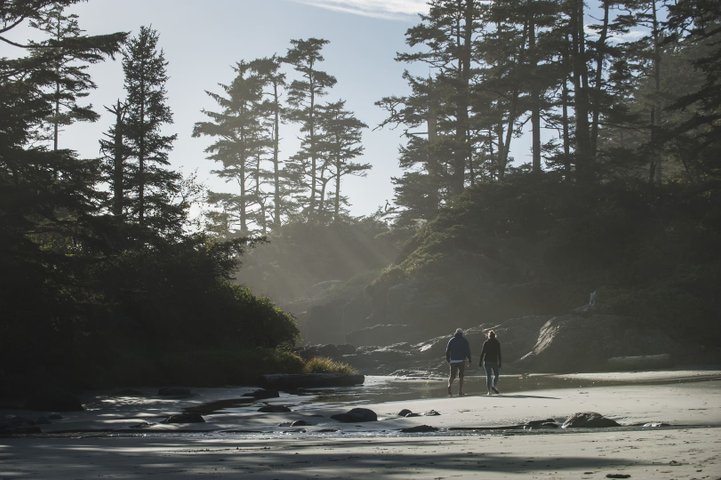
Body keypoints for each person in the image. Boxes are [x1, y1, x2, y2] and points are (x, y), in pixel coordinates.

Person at [445, 328, 471, 396]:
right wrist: (469, 359)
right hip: (461, 360)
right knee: (461, 376)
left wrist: (448, 359)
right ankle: (460, 391)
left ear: (456, 333)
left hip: (453, 360)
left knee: (452, 376)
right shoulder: (464, 340)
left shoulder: (451, 340)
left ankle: (449, 385)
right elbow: (467, 351)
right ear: (461, 333)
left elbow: (447, 350)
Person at [479, 330, 502, 395]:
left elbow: (482, 353)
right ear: (494, 336)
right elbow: (499, 354)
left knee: (488, 376)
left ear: (489, 336)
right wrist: (500, 362)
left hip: (487, 361)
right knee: (496, 375)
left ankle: (489, 391)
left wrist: (480, 362)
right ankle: (493, 385)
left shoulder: (486, 342)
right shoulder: (497, 343)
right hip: (494, 361)